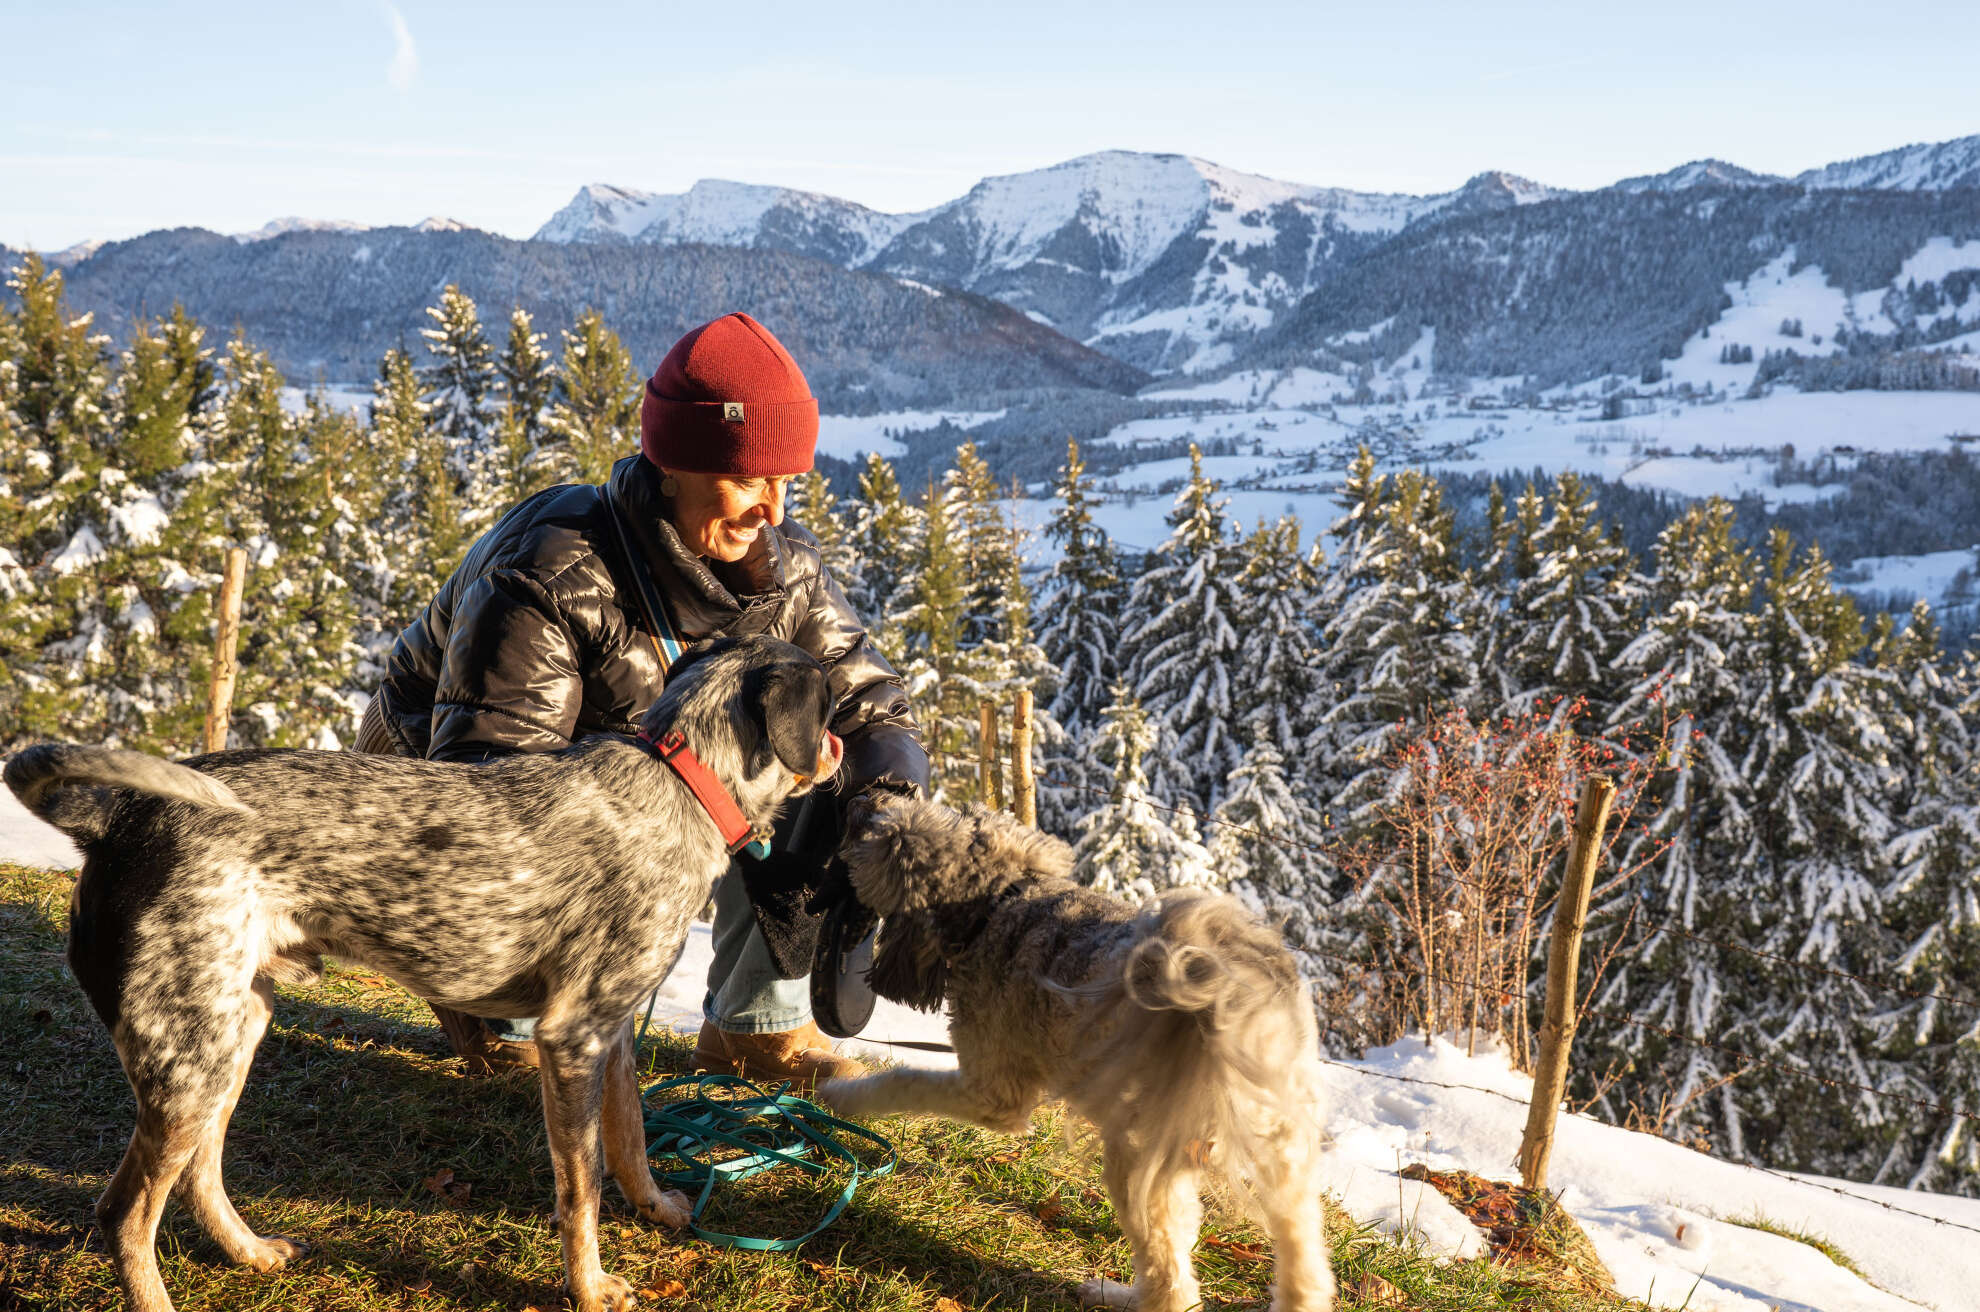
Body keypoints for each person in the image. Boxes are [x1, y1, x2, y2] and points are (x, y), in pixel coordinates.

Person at [353, 311, 927, 1083]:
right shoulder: (550, 572)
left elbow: (873, 703)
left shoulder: (783, 570)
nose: (775, 511)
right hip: (457, 792)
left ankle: (757, 1030)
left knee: (821, 763)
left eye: (787, 482)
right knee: (549, 852)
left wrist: (880, 807)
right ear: (674, 463)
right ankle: (515, 1023)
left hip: (634, 792)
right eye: (749, 479)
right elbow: (487, 794)